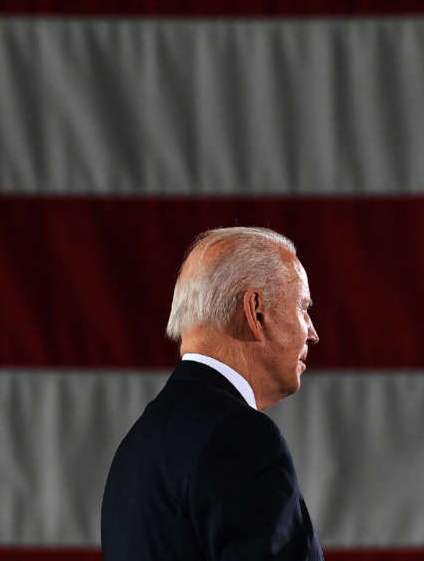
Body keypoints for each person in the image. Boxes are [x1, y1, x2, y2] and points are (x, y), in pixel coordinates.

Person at [101, 226, 323, 560]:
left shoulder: (138, 445)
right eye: (302, 308)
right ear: (256, 311)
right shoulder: (241, 439)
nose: (313, 333)